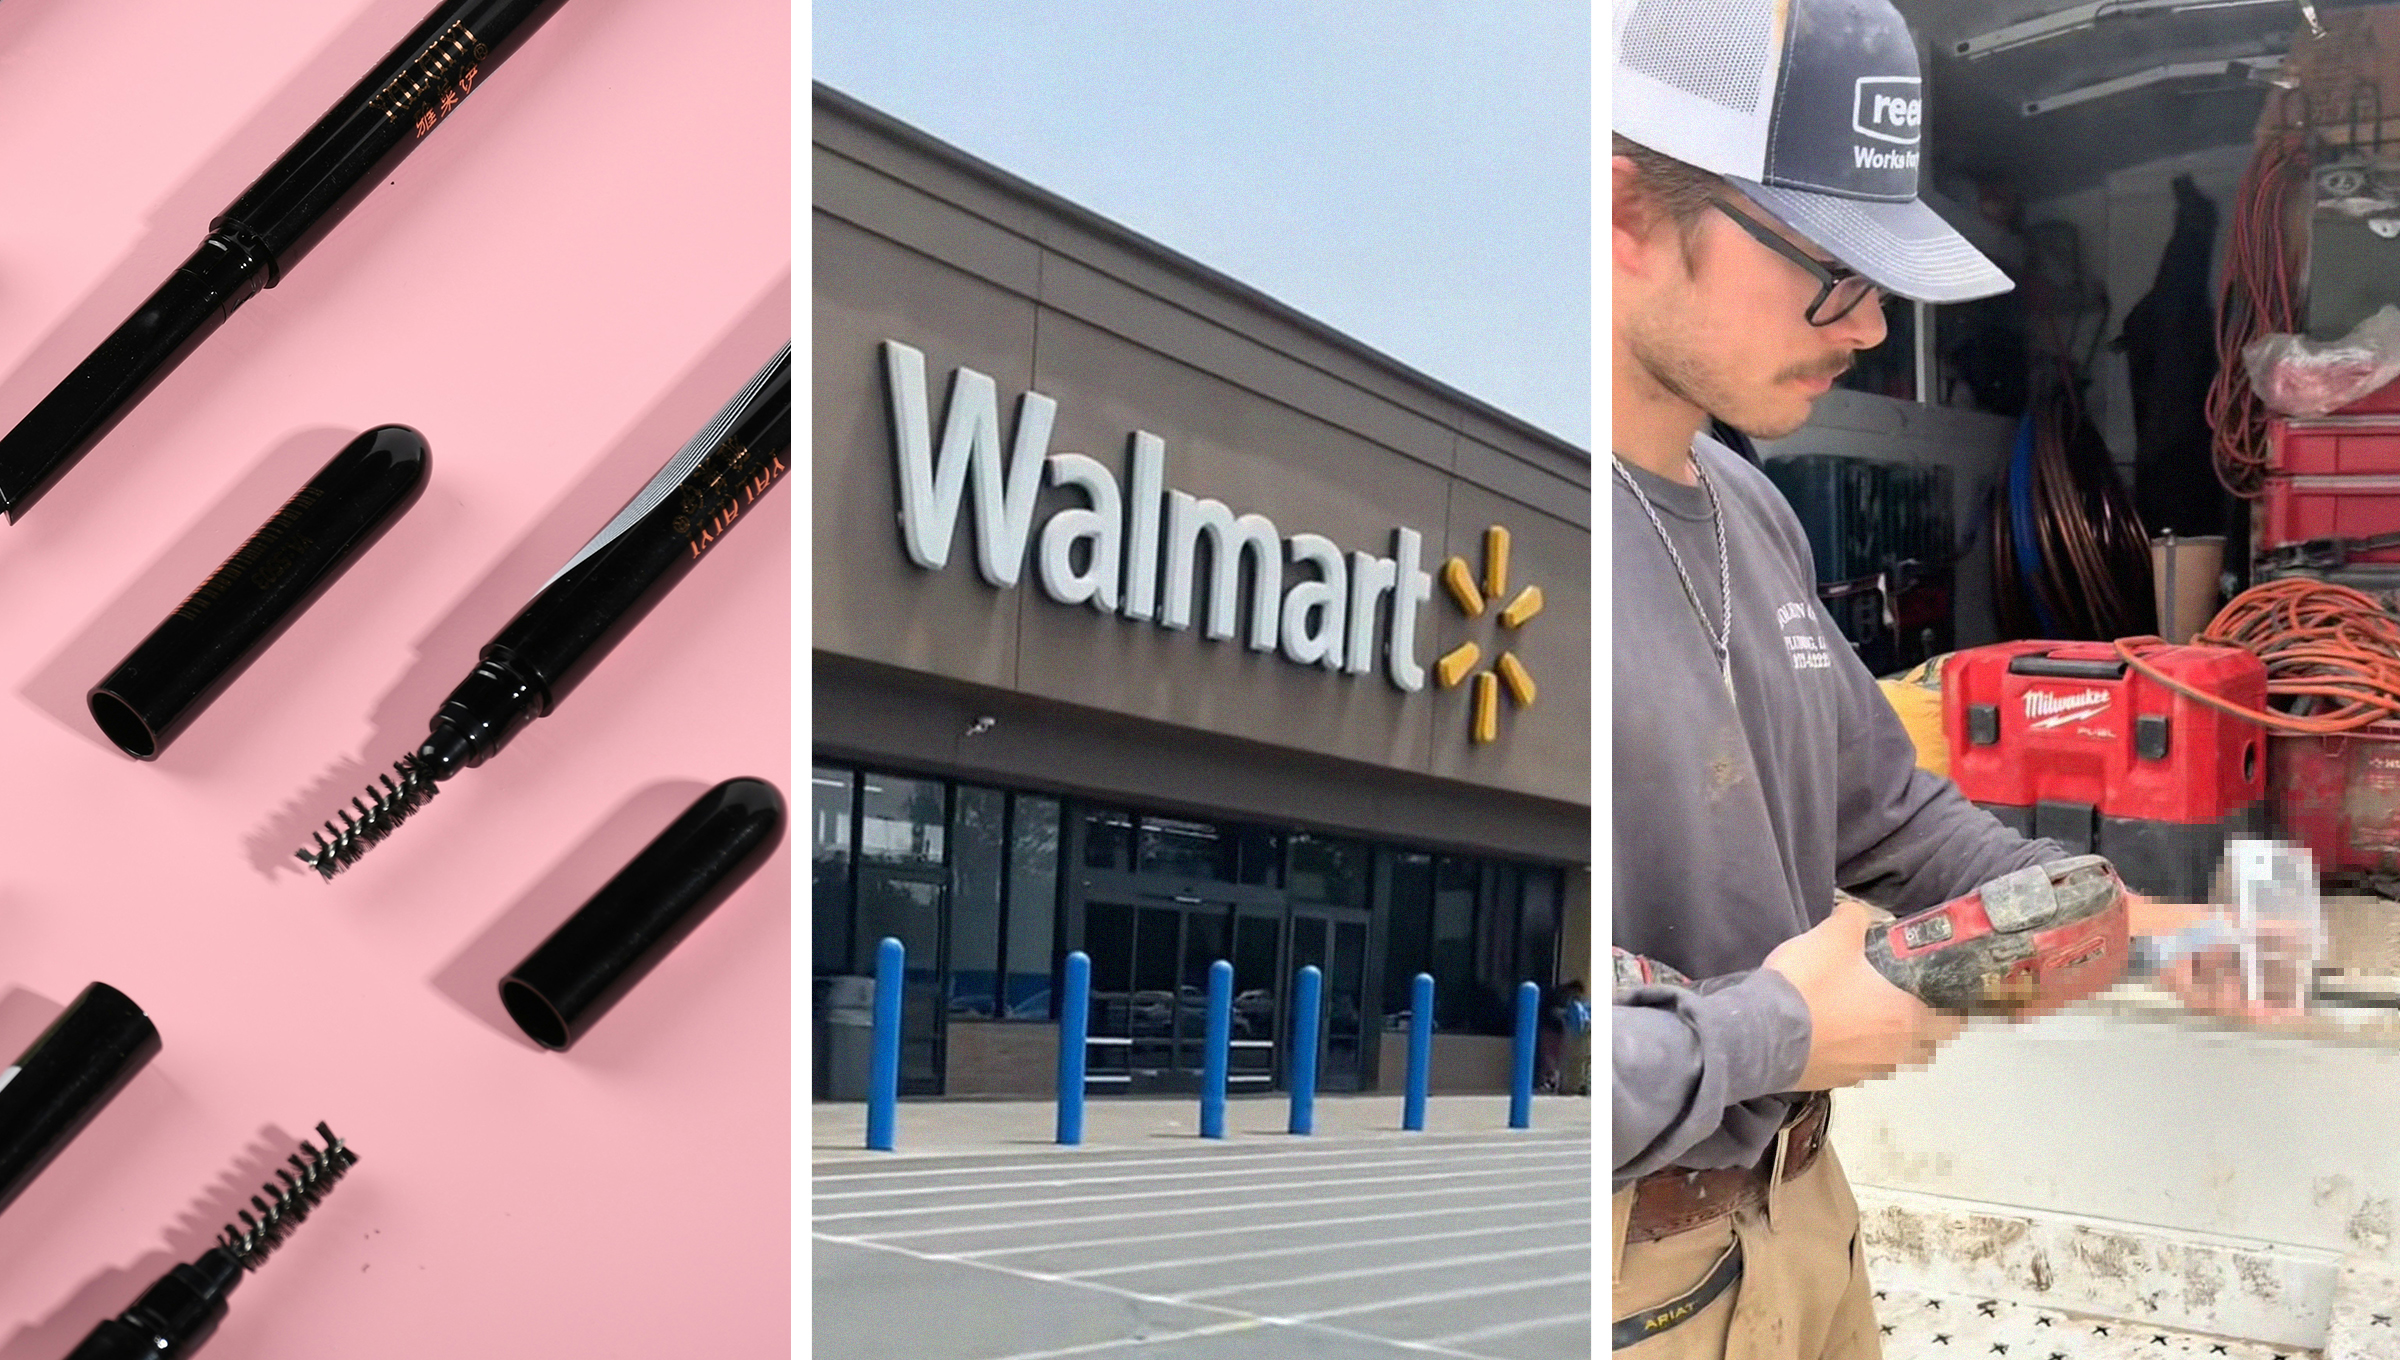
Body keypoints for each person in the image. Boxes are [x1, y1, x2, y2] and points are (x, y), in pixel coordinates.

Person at [1606, 0, 2137, 1353]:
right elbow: (1444, 1059)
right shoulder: (1483, 535)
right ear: (1627, 213)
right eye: (1828, 267)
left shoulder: (1748, 506)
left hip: (1801, 1222)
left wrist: (2106, 916)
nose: (1866, 325)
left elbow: (1886, 817)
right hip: (1614, 1269)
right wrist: (1774, 1036)